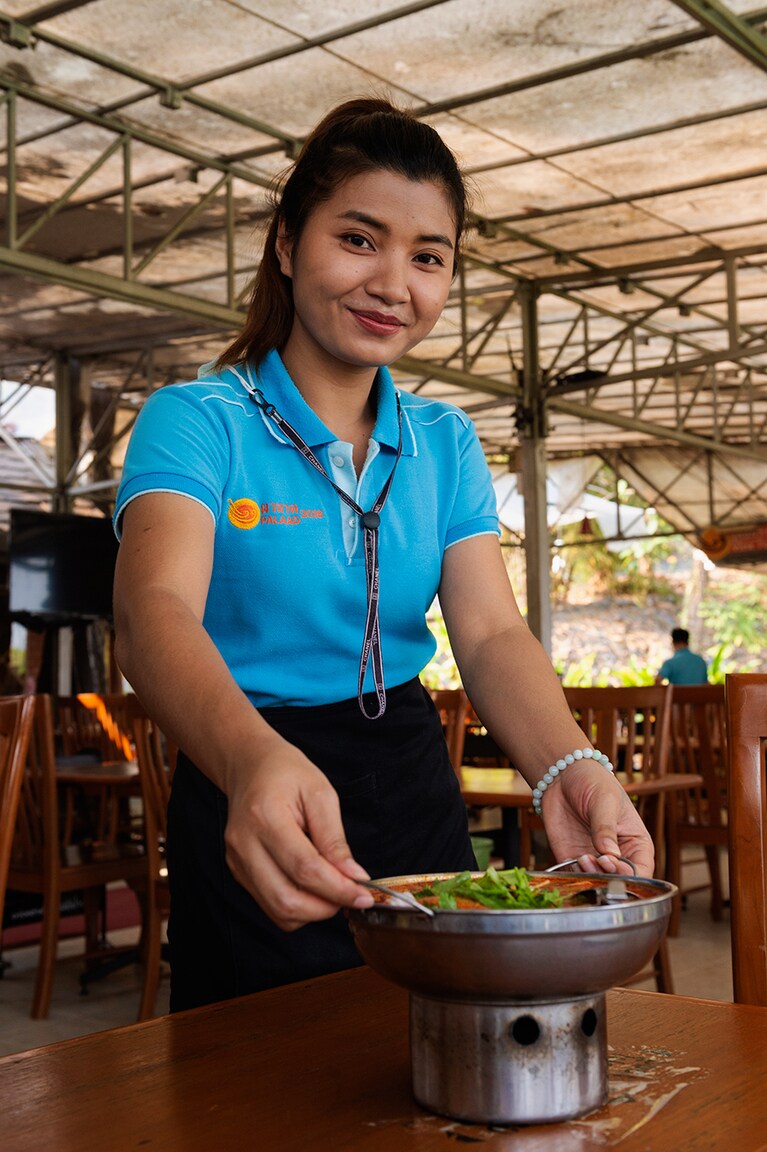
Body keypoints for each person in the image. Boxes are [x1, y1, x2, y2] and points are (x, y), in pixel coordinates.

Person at [112, 96, 654, 1012]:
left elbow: (486, 634)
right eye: (358, 239)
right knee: (259, 1085)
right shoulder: (196, 421)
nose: (393, 283)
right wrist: (250, 760)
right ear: (287, 244)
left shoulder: (444, 442)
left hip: (411, 775)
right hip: (248, 766)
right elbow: (150, 613)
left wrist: (569, 766)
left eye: (428, 257)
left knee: (447, 1049)